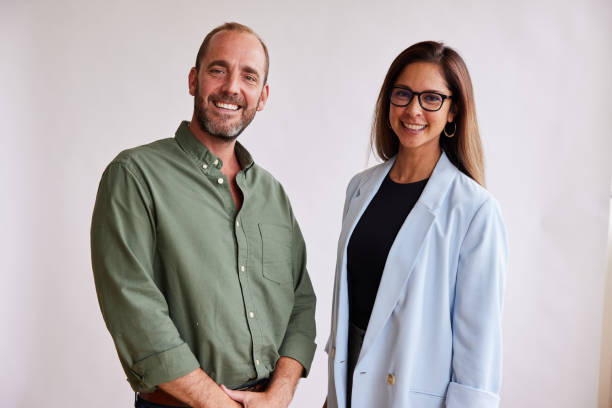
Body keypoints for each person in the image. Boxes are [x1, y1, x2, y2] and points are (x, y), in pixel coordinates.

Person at [91, 22, 316, 408]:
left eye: (248, 76)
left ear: (262, 96)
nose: (232, 87)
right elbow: (135, 310)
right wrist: (216, 403)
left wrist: (279, 395)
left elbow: (301, 302)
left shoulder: (272, 194)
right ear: (194, 79)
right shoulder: (134, 175)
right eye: (218, 70)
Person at [324, 41, 507, 408]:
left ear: (453, 110)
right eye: (403, 94)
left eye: (431, 99)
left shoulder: (474, 209)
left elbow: (478, 342)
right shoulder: (360, 188)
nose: (413, 110)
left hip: (409, 391)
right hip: (348, 382)